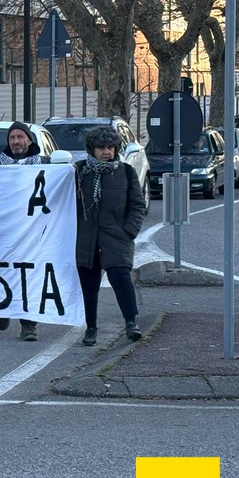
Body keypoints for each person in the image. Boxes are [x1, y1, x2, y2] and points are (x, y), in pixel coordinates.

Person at [75, 126, 145, 346]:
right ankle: (91, 328)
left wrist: (129, 231)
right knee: (89, 286)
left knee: (121, 279)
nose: (106, 152)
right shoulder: (78, 171)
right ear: (91, 149)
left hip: (116, 237)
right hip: (85, 239)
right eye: (101, 147)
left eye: (110, 147)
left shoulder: (125, 172)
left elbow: (137, 204)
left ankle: (131, 323)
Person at [0, 121, 49, 341]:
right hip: (4, 231)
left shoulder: (46, 164)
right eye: (12, 138)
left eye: (20, 137)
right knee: (4, 272)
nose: (16, 142)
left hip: (34, 233)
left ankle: (29, 325)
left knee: (30, 275)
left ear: (29, 140)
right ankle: (3, 307)